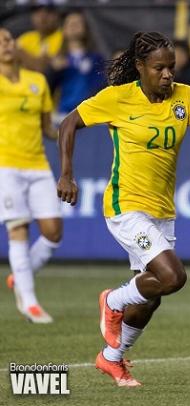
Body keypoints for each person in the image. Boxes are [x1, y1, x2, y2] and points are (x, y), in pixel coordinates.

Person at [56, 31, 190, 387]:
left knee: (151, 298)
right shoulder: (118, 98)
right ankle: (112, 299)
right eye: (159, 68)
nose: (167, 74)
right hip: (125, 205)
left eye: (172, 67)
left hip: (162, 210)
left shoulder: (185, 97)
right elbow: (68, 123)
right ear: (140, 67)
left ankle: (111, 359)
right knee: (173, 277)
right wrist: (67, 174)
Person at [0, 27, 62, 324]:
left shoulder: (37, 81)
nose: (5, 45)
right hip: (5, 165)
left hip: (37, 164)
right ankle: (30, 302)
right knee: (18, 228)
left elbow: (48, 128)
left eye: (8, 39)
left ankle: (19, 275)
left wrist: (70, 130)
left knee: (53, 232)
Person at [47, 10, 106, 119]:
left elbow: (100, 87)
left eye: (78, 23)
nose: (74, 25)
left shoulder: (96, 59)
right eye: (70, 23)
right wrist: (53, 71)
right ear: (63, 29)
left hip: (88, 115)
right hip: (63, 114)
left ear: (85, 29)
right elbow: (47, 89)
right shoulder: (57, 60)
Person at [16, 4, 63, 72]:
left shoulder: (64, 37)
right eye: (37, 12)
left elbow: (41, 67)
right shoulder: (26, 37)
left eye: (48, 12)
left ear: (56, 15)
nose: (42, 17)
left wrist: (21, 53)